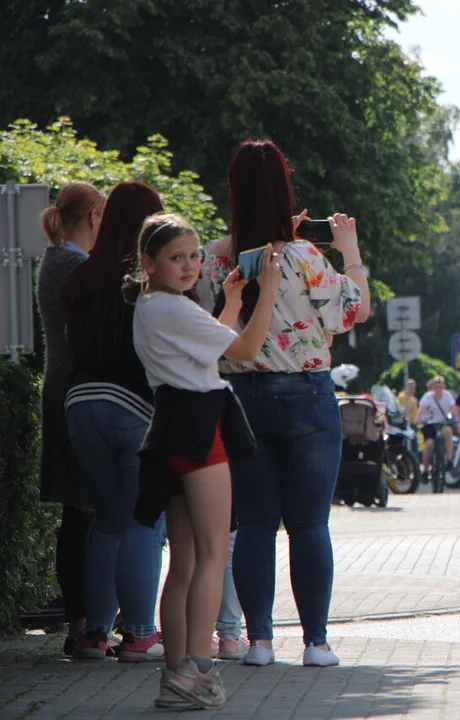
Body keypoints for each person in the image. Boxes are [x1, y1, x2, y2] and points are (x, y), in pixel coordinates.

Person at [204, 140, 369, 669]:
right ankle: (316, 644)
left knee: (255, 522)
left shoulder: (214, 257)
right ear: (284, 191)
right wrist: (349, 247)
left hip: (242, 397)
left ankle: (258, 642)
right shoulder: (303, 255)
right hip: (306, 393)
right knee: (309, 524)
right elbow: (353, 312)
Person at [131, 213, 280, 709]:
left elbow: (208, 353)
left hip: (172, 426)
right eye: (177, 258)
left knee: (185, 563)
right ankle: (198, 669)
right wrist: (271, 291)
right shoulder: (171, 307)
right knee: (215, 553)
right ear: (148, 262)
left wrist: (233, 301)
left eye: (195, 256)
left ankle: (177, 675)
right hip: (200, 429)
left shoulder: (154, 305)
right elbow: (246, 349)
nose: (190, 266)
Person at [63, 183, 164, 662]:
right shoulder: (144, 279)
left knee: (105, 523)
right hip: (135, 409)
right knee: (142, 522)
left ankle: (95, 632)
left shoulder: (80, 277)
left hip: (80, 404)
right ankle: (141, 632)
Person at [36, 181, 105, 656]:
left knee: (77, 514)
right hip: (75, 387)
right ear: (95, 216)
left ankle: (81, 621)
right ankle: (84, 624)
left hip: (61, 383)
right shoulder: (73, 263)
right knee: (84, 513)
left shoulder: (56, 258)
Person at [417, 376, 456, 481]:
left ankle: (449, 459)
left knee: (448, 431)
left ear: (444, 387)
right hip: (430, 424)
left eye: (440, 387)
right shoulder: (427, 397)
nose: (438, 389)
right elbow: (421, 410)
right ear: (432, 387)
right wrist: (418, 419)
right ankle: (425, 469)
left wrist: (455, 418)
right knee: (429, 443)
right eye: (436, 387)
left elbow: (453, 409)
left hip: (443, 422)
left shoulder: (448, 396)